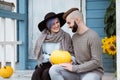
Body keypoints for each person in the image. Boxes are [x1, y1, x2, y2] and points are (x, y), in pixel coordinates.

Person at [49, 8, 104, 80]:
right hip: (76, 72)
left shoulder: (93, 36)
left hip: (92, 72)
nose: (68, 26)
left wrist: (75, 68)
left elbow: (96, 61)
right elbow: (73, 55)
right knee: (54, 69)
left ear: (77, 20)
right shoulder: (74, 37)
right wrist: (57, 60)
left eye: (69, 23)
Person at [31, 12, 73, 80]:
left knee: (46, 73)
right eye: (52, 24)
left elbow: (70, 53)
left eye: (57, 22)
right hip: (46, 62)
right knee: (36, 73)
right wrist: (50, 58)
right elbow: (41, 54)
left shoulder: (66, 36)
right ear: (48, 26)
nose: (56, 25)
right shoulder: (43, 37)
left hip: (59, 63)